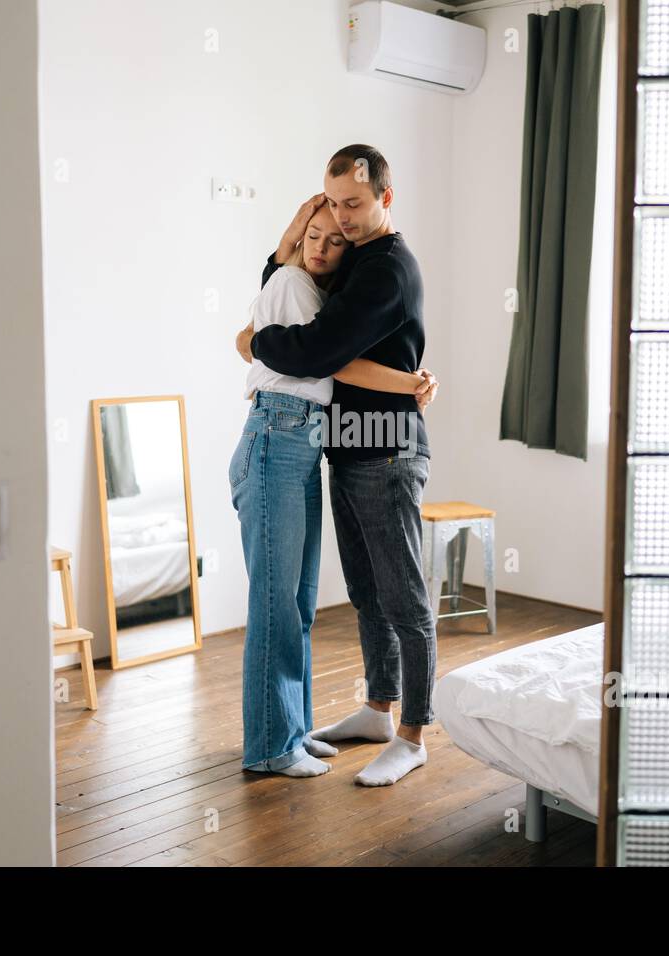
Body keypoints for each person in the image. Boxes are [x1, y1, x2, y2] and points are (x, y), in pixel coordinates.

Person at [236, 144, 436, 787]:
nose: (342, 221)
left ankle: (412, 733)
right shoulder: (350, 258)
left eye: (354, 205)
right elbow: (293, 284)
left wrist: (255, 344)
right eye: (332, 207)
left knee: (402, 596)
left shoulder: (385, 270)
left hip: (386, 448)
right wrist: (285, 245)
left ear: (386, 196)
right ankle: (378, 710)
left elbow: (320, 348)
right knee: (365, 593)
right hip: (344, 445)